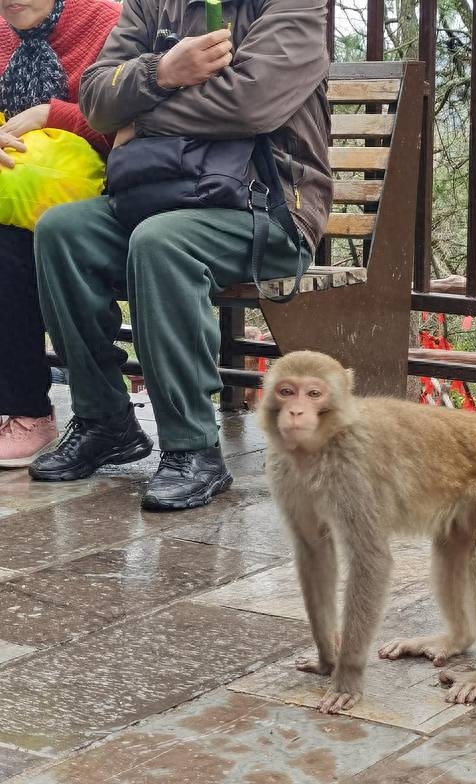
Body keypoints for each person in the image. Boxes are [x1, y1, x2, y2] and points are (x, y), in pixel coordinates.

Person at [29, 0, 332, 511]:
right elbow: (97, 99)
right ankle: (106, 422)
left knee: (161, 241)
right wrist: (163, 70)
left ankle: (193, 450)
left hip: (268, 210)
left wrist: (142, 118)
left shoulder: (295, 5)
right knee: (63, 230)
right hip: (163, 195)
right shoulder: (153, 4)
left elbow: (250, 104)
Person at [0, 0, 121, 468]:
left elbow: (132, 119)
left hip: (107, 194)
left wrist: (52, 115)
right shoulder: (4, 33)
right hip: (23, 190)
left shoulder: (104, 24)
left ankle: (30, 412)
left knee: (12, 246)